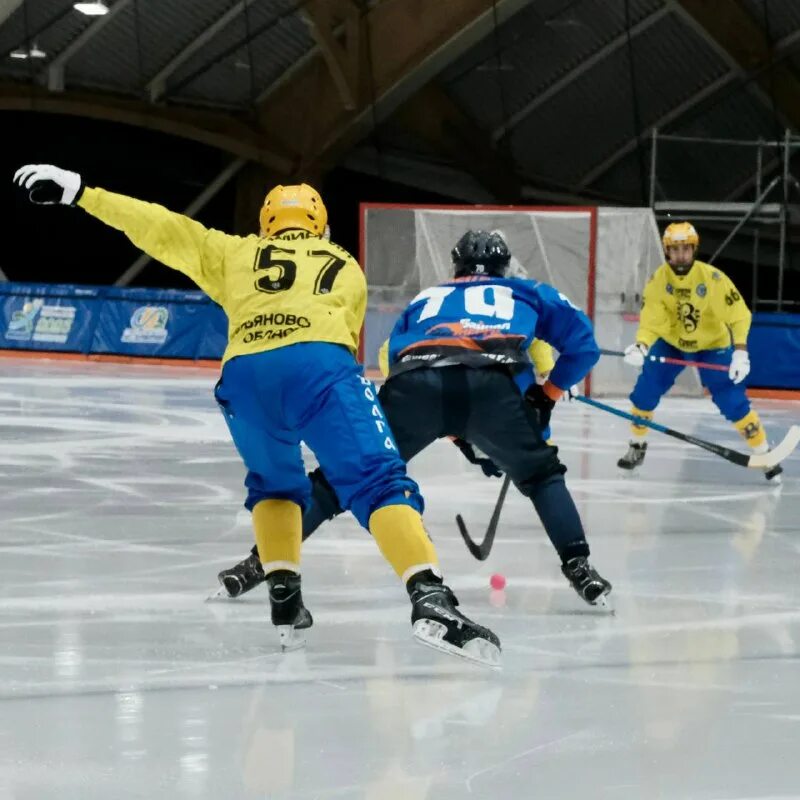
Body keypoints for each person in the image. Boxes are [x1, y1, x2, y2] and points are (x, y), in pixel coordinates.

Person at [13, 164, 500, 667]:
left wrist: (82, 192)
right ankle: (430, 598)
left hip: (244, 376)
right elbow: (345, 338)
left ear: (266, 224)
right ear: (320, 226)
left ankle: (285, 597)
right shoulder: (344, 264)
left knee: (274, 485)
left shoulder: (235, 251)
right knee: (378, 482)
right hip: (319, 366)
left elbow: (160, 226)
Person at [218, 230, 612, 608]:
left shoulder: (426, 298)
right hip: (490, 387)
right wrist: (547, 396)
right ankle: (580, 568)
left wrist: (446, 421)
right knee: (542, 476)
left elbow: (394, 356)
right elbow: (583, 348)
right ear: (504, 266)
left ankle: (262, 560)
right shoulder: (527, 291)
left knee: (340, 477)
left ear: (457, 266)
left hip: (414, 383)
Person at [618, 221, 782, 482]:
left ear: (694, 249)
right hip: (672, 343)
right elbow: (651, 320)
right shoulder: (658, 280)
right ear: (667, 251)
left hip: (712, 346)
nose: (680, 254)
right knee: (646, 390)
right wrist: (642, 345)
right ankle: (637, 446)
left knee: (731, 399)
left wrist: (740, 351)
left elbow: (739, 315)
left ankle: (764, 453)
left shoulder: (712, 279)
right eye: (674, 249)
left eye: (686, 248)